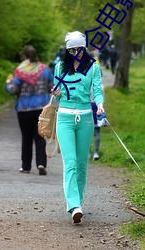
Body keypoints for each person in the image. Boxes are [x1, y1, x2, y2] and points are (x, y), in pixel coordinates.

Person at [52, 31, 104, 223]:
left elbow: (97, 90)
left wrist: (100, 104)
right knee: (71, 163)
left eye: (79, 49)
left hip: (86, 118)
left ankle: (78, 201)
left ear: (84, 48)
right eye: (72, 49)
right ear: (67, 50)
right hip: (64, 117)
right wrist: (56, 92)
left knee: (82, 164)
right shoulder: (60, 67)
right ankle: (73, 205)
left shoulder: (92, 67)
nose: (76, 53)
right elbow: (57, 94)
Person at [5, 45, 54, 175]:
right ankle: (41, 163)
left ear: (24, 57)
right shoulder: (45, 70)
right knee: (40, 137)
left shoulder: (20, 71)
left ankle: (26, 166)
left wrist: (8, 83)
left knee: (26, 138)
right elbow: (52, 87)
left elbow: (13, 90)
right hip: (41, 109)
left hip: (24, 109)